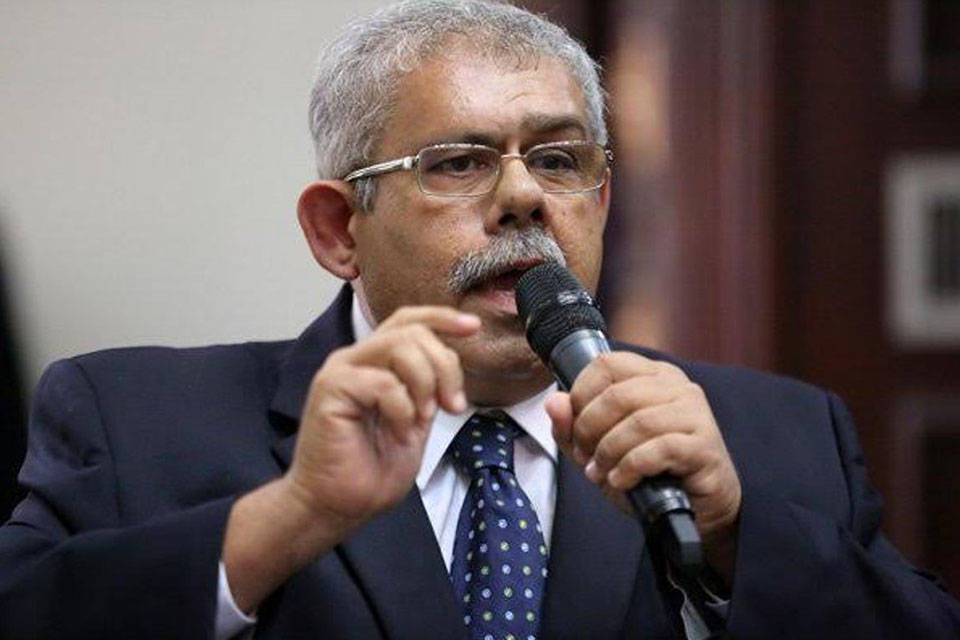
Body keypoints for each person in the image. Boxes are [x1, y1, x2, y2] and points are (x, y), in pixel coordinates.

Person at [1, 1, 958, 638]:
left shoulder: (775, 438)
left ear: (602, 203)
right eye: (457, 163)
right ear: (338, 229)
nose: (524, 198)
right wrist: (292, 517)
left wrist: (741, 539)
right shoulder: (133, 421)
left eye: (559, 160)